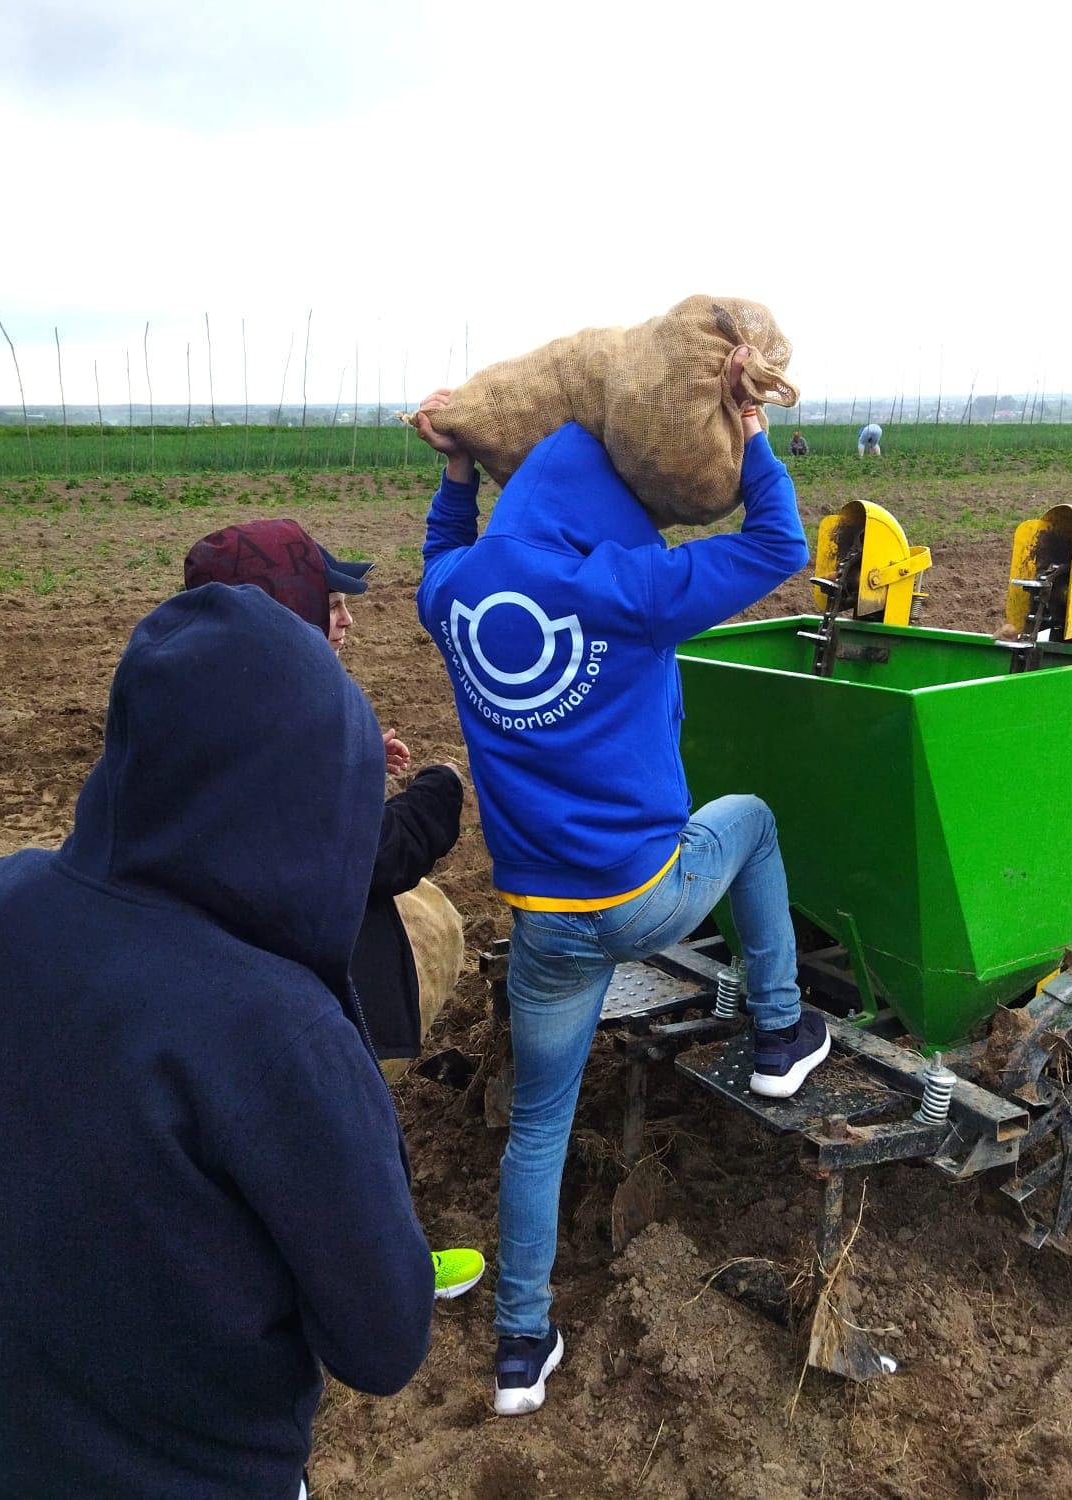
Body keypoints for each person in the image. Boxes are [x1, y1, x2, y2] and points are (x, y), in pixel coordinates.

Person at [0, 584, 433, 1499]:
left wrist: (38, 1254)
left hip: (12, 1462)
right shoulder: (281, 1025)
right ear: (311, 790)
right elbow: (383, 1343)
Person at [409, 348, 826, 1418]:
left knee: (538, 1129)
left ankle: (516, 1349)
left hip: (544, 924)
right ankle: (780, 1037)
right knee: (754, 822)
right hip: (647, 894)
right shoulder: (621, 586)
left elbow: (443, 548)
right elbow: (777, 543)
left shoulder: (453, 597)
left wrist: (456, 477)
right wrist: (753, 427)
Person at [182, 515, 485, 1300]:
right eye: (330, 602)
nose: (347, 618)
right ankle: (382, 1275)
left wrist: (350, 757)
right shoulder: (280, 717)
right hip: (288, 988)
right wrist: (437, 795)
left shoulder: (200, 693)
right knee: (340, 1127)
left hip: (207, 973)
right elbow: (368, 859)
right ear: (280, 611)